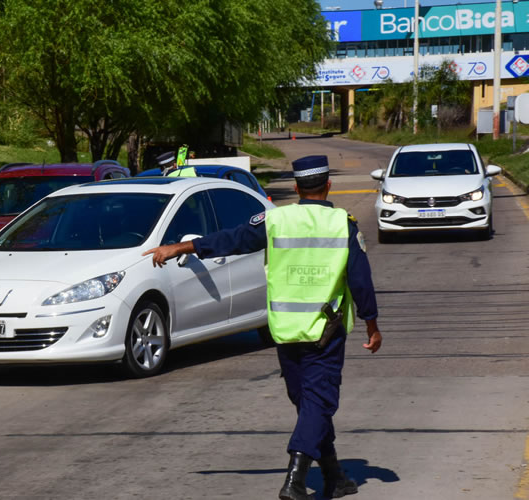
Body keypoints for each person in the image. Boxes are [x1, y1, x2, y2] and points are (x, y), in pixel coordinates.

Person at [142, 155, 383, 500]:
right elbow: (361, 281)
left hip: (284, 330)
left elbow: (233, 239)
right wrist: (372, 325)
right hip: (324, 332)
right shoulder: (342, 225)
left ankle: (335, 476)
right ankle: (295, 480)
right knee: (316, 403)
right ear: (328, 185)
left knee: (310, 404)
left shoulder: (275, 219)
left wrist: (182, 246)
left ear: (297, 187)